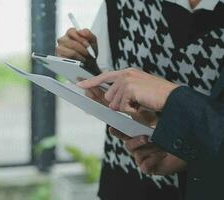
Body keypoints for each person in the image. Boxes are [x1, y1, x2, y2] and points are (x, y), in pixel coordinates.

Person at [56, 0, 224, 199]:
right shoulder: (121, 4)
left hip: (202, 184)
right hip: (125, 177)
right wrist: (83, 62)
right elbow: (99, 88)